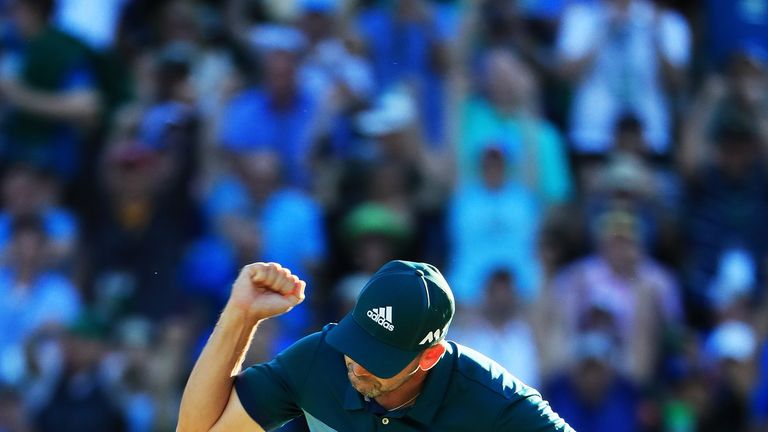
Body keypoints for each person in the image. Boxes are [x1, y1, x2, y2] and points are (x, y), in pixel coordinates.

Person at [178, 260, 573, 431]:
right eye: (358, 341)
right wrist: (241, 315)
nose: (358, 365)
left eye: (380, 357)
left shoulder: (495, 401)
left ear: (430, 356)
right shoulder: (321, 357)